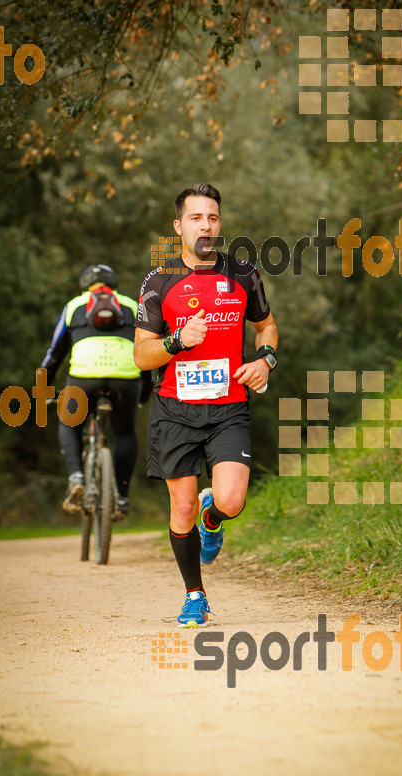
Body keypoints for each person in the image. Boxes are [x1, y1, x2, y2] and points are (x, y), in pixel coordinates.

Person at [134, 183, 278, 627]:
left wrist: (266, 361)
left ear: (220, 223)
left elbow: (266, 326)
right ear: (179, 226)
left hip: (228, 407)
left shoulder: (244, 275)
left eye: (212, 218)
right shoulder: (158, 283)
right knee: (180, 508)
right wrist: (177, 340)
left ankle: (212, 516)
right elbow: (142, 354)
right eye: (196, 218)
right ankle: (195, 595)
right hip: (175, 408)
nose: (206, 226)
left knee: (233, 500)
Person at [41, 264, 152, 518]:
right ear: (115, 286)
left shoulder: (74, 306)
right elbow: (145, 351)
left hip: (84, 378)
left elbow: (55, 354)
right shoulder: (132, 306)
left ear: (84, 287)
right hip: (126, 378)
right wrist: (143, 393)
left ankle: (77, 476)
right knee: (125, 432)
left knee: (69, 424)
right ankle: (122, 497)